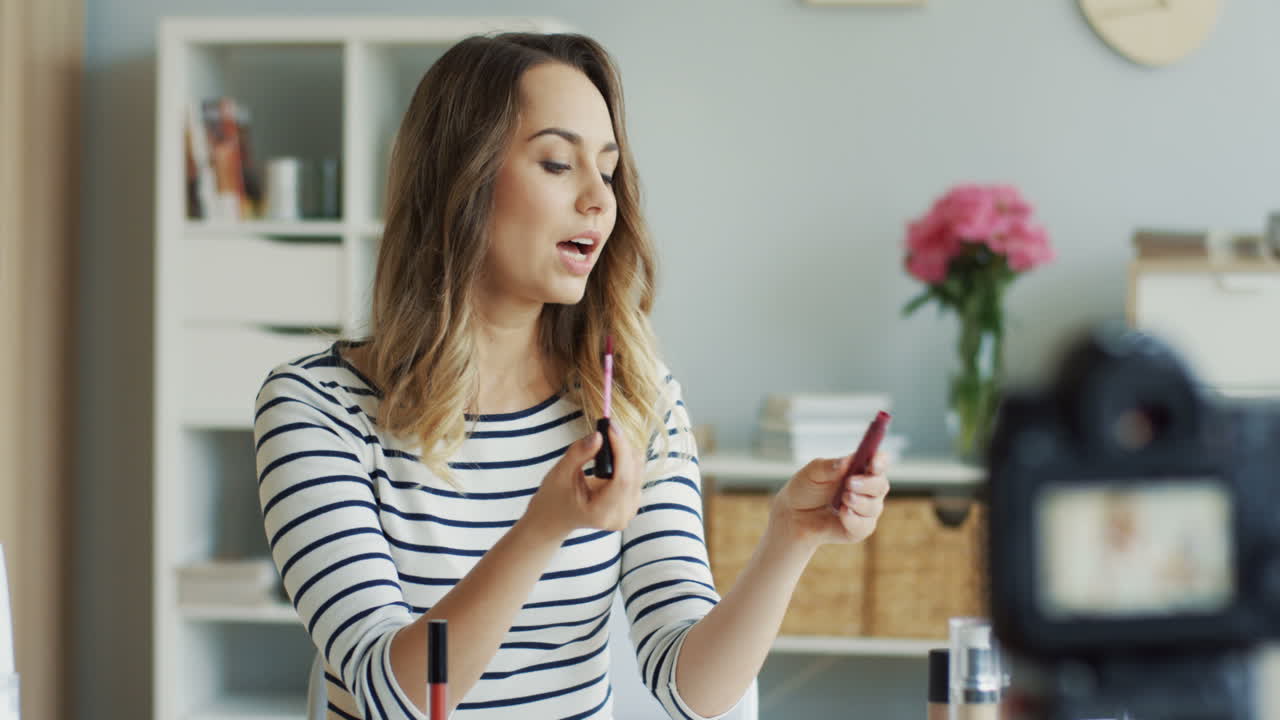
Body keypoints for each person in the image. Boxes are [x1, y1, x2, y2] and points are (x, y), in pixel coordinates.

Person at [253, 32, 890, 720]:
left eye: (608, 172)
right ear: (457, 181)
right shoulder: (315, 409)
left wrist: (789, 539)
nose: (599, 201)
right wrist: (541, 530)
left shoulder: (632, 397)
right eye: (558, 163)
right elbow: (389, 696)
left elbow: (694, 692)